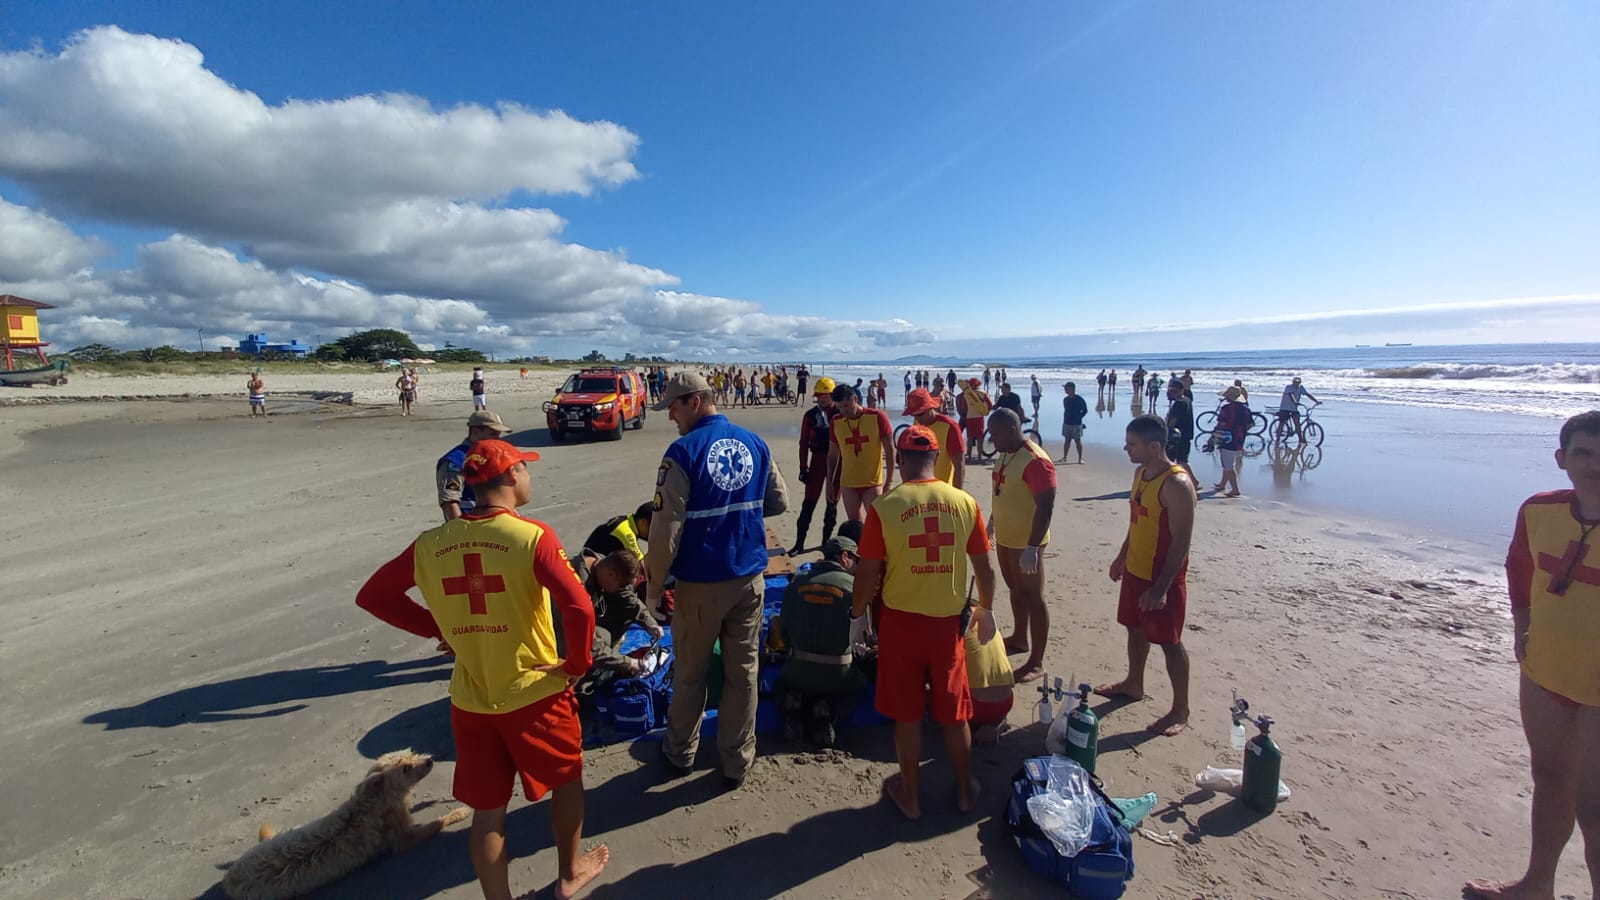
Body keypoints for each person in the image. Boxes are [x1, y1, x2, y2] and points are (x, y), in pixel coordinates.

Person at [355, 439, 609, 899]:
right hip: (536, 693)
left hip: (472, 702)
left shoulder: (431, 543)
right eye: (525, 469)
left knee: (488, 814)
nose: (529, 476)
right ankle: (569, 874)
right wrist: (576, 663)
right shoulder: (532, 536)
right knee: (567, 782)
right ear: (511, 476)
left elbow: (373, 596)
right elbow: (581, 608)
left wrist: (442, 629)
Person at [1465, 412, 1600, 900]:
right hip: (1544, 671)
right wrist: (1522, 623)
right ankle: (1537, 883)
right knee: (1549, 777)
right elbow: (1519, 563)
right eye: (1583, 453)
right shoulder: (1540, 509)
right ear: (1562, 459)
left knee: (1595, 807)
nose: (1595, 465)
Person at [646, 372, 789, 790]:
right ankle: (737, 760)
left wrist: (655, 587)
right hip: (748, 577)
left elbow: (664, 530)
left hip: (701, 581)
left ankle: (679, 753)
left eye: (672, 406)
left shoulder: (682, 452)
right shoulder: (754, 442)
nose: (670, 416)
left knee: (690, 671)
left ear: (693, 401)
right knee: (742, 673)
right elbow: (777, 501)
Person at [853, 424, 997, 820]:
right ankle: (967, 789)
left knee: (908, 714)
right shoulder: (964, 502)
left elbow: (867, 574)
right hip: (946, 625)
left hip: (900, 625)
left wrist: (857, 616)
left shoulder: (885, 507)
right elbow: (984, 570)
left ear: (899, 461)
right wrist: (986, 609)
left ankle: (911, 796)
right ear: (937, 460)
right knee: (954, 712)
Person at [1096, 415, 1197, 736]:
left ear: (1155, 446)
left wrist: (1162, 587)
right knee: (1134, 628)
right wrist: (1122, 556)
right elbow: (1136, 520)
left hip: (1161, 578)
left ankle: (1180, 708)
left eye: (1132, 444)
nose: (1126, 449)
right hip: (1136, 569)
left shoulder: (1177, 484)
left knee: (1169, 642)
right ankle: (1133, 682)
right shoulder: (1141, 473)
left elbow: (1182, 541)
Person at [772, 535, 864, 748]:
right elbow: (862, 639)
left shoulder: (797, 582)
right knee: (859, 688)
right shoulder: (856, 588)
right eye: (856, 561)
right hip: (838, 676)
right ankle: (829, 711)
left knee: (781, 686)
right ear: (845, 557)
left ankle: (794, 708)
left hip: (797, 672)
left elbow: (783, 633)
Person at [987, 409, 1056, 683]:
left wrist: (1032, 547)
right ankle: (1019, 637)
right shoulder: (1006, 452)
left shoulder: (1035, 461)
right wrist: (992, 522)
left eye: (995, 434)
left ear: (1012, 429)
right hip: (1005, 536)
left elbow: (1046, 506)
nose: (992, 441)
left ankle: (1037, 661)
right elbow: (1003, 491)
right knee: (1015, 590)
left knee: (1033, 597)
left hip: (1027, 541)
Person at [564, 549, 663, 684]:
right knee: (602, 637)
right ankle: (583, 680)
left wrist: (650, 623)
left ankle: (606, 658)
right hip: (558, 634)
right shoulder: (574, 589)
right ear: (611, 574)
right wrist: (629, 663)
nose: (624, 587)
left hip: (584, 619)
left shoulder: (604, 564)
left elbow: (629, 599)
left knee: (623, 610)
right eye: (622, 584)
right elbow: (587, 645)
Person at [826, 384, 894, 523]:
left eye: (847, 405)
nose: (844, 410)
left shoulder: (877, 417)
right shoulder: (836, 422)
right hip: (848, 482)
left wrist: (889, 481)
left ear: (855, 399)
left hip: (872, 482)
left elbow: (890, 450)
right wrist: (830, 483)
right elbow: (832, 455)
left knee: (876, 523)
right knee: (855, 524)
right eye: (840, 407)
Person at [791, 376, 841, 554]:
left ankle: (825, 543)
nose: (819, 398)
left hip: (837, 463)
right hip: (818, 461)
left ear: (831, 395)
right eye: (818, 396)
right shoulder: (811, 415)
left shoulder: (840, 414)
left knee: (832, 505)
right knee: (809, 504)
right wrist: (803, 468)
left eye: (823, 395)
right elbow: (803, 442)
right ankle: (799, 544)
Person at [438, 411, 517, 523]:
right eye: (492, 434)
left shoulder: (491, 456)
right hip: (471, 527)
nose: (497, 440)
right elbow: (450, 502)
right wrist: (462, 533)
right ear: (475, 431)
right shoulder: (454, 461)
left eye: (498, 435)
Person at [902, 387, 965, 489]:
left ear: (930, 407)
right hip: (919, 487)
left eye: (920, 413)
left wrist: (957, 493)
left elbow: (959, 464)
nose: (917, 418)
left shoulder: (949, 426)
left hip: (943, 490)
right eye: (913, 414)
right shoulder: (917, 423)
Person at [583, 502, 653, 561]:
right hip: (587, 570)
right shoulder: (625, 531)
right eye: (653, 527)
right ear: (643, 522)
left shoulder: (627, 521)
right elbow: (642, 563)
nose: (653, 532)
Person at [1213, 386, 1250, 497]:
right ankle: (1222, 484)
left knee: (1228, 465)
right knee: (1227, 462)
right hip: (1240, 440)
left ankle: (1235, 489)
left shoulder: (1226, 409)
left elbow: (1221, 424)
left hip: (1227, 439)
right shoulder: (1245, 409)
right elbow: (1250, 424)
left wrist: (1213, 436)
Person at [1165, 380, 1198, 486]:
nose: (1172, 393)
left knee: (1180, 461)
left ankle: (1193, 481)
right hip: (1185, 434)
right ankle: (1189, 481)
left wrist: (1165, 431)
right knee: (1179, 460)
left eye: (1174, 390)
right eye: (1171, 390)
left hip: (1178, 436)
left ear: (1181, 390)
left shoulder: (1179, 404)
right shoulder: (1187, 400)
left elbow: (1172, 421)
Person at [955, 378, 992, 465]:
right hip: (979, 417)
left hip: (969, 417)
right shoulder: (983, 393)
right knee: (979, 437)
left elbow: (964, 406)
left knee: (970, 437)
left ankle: (969, 455)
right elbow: (990, 404)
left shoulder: (966, 394)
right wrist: (985, 411)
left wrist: (964, 413)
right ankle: (979, 455)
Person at [1277, 376, 1321, 442]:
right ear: (1293, 382)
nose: (1296, 383)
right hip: (1285, 408)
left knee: (1297, 423)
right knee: (1282, 423)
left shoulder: (1300, 388)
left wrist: (1316, 401)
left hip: (1294, 409)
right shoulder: (1288, 387)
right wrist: (1295, 401)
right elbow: (1291, 395)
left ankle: (1300, 439)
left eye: (1297, 382)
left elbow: (1307, 394)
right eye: (1295, 382)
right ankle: (1277, 438)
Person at [1060, 382, 1088, 463]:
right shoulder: (1065, 399)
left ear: (1071, 388)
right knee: (1067, 441)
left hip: (1076, 423)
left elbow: (1085, 410)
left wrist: (1079, 417)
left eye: (1066, 388)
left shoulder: (1079, 399)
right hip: (1067, 422)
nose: (1065, 390)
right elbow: (1066, 410)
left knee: (1077, 441)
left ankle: (1080, 459)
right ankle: (1064, 457)